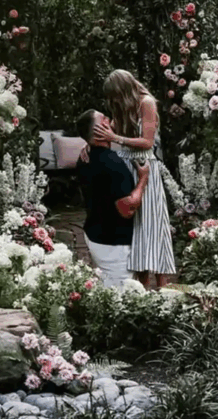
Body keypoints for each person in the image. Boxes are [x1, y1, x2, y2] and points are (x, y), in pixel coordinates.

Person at [88, 69, 176, 289]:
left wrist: (114, 138)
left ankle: (163, 286)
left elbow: (147, 142)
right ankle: (142, 287)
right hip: (127, 168)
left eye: (115, 95)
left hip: (145, 166)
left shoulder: (146, 103)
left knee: (154, 226)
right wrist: (88, 145)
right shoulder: (122, 107)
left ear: (124, 89)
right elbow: (105, 132)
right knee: (137, 230)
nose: (113, 101)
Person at [76, 109, 150, 289]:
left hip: (95, 233)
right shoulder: (112, 164)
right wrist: (143, 179)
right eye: (105, 119)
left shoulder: (84, 158)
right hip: (112, 242)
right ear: (99, 130)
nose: (110, 120)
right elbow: (127, 208)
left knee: (105, 286)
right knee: (119, 296)